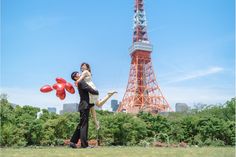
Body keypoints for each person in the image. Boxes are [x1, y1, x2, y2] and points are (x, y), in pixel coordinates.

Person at [75, 63, 117, 129]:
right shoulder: (87, 73)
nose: (82, 67)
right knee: (97, 105)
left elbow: (80, 80)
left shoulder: (85, 72)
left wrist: (76, 82)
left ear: (87, 68)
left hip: (90, 90)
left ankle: (96, 122)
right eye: (82, 66)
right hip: (92, 89)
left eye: (84, 66)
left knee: (92, 107)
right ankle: (109, 95)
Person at [69, 71, 99, 148]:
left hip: (83, 106)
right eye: (78, 74)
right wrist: (96, 92)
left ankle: (73, 142)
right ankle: (84, 145)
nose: (80, 74)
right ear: (75, 77)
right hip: (84, 106)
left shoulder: (80, 82)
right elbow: (89, 89)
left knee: (81, 125)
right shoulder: (81, 82)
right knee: (84, 125)